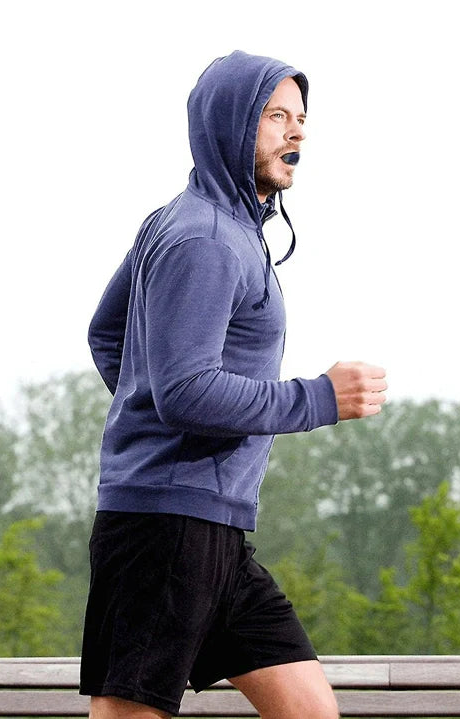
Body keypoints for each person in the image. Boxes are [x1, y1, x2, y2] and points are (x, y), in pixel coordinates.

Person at [80, 50, 387, 719]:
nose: (296, 131)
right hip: (163, 529)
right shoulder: (205, 238)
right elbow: (185, 390)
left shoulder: (203, 224)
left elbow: (109, 337)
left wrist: (157, 411)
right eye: (275, 115)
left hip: (214, 526)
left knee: (310, 712)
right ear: (228, 122)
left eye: (300, 118)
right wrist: (320, 397)